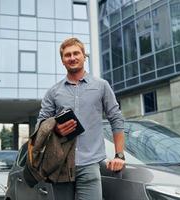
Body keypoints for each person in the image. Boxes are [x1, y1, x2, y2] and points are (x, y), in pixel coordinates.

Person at [36, 37, 125, 200]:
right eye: (67, 55)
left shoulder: (101, 86)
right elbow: (40, 124)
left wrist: (119, 155)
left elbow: (116, 119)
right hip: (60, 165)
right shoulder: (53, 92)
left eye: (76, 53)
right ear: (62, 61)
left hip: (90, 163)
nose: (72, 57)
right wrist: (54, 127)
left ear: (84, 56)